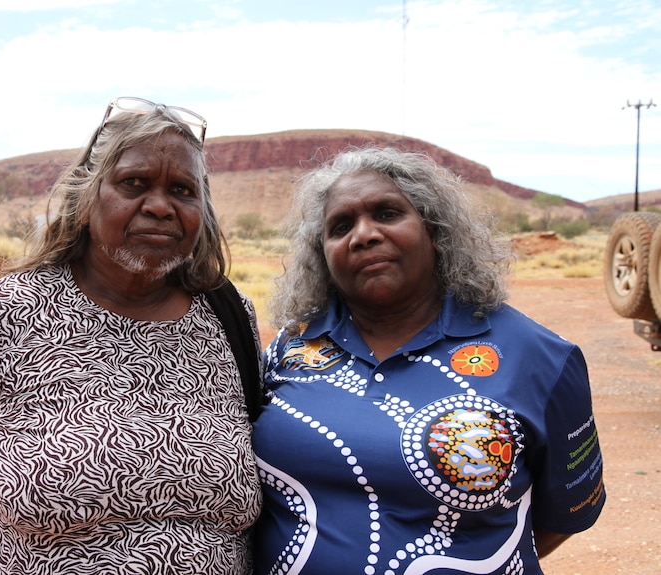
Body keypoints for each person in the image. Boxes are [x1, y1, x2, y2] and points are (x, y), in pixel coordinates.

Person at [0, 96, 263, 574]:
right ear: (86, 198)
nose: (159, 206)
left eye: (182, 190)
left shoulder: (227, 316)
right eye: (133, 183)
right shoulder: (7, 312)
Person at [252, 147, 606, 574]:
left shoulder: (540, 358)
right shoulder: (289, 349)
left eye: (386, 214)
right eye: (340, 226)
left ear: (434, 230)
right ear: (323, 253)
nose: (363, 235)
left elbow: (561, 517)